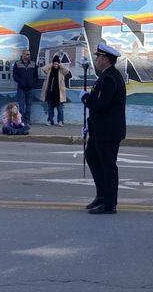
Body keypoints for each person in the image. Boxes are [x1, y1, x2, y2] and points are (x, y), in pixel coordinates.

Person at [80, 43, 126, 214]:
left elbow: (101, 105)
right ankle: (101, 195)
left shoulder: (109, 78)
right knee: (92, 156)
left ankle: (109, 203)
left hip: (108, 131)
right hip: (100, 129)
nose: (96, 59)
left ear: (106, 59)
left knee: (108, 166)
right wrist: (88, 125)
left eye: (98, 57)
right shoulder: (107, 75)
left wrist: (86, 99)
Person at [41, 55, 70, 126]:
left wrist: (60, 64)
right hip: (50, 93)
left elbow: (67, 71)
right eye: (55, 64)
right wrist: (51, 64)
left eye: (57, 64)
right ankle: (50, 121)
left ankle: (60, 121)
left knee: (60, 108)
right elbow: (44, 69)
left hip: (59, 93)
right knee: (50, 108)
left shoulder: (61, 71)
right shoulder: (49, 70)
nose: (56, 65)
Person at [12, 49, 38, 125]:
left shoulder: (33, 64)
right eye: (27, 54)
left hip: (30, 88)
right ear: (22, 55)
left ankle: (27, 120)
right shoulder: (17, 64)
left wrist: (32, 83)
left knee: (29, 105)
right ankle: (22, 120)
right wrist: (21, 82)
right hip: (21, 88)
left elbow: (36, 76)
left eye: (29, 54)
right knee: (21, 105)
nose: (28, 56)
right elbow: (15, 76)